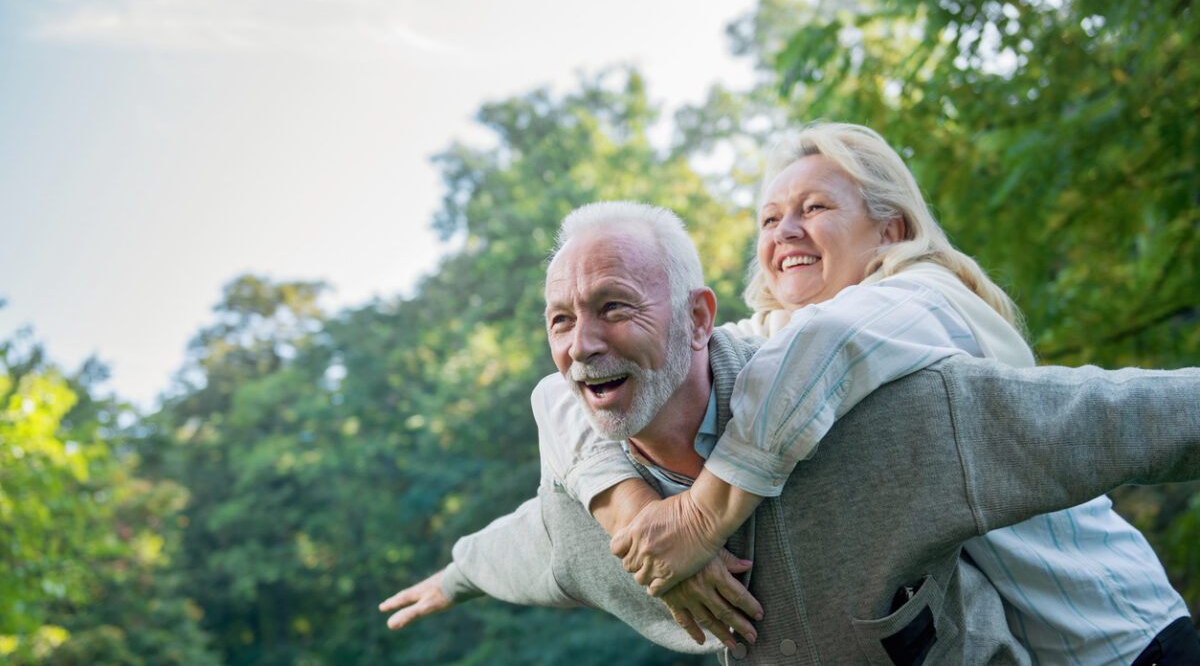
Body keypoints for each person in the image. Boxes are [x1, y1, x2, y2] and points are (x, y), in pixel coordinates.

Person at [381, 202, 1200, 664]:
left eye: (613, 306)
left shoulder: (880, 417)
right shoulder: (588, 517)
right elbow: (531, 545)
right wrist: (457, 572)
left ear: (700, 318)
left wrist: (703, 519)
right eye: (560, 320)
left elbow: (1108, 416)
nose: (581, 345)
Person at [549, 125, 1198, 664]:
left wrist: (698, 519)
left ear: (889, 230)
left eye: (815, 208)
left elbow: (831, 342)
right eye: (770, 218)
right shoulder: (780, 340)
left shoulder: (928, 297)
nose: (786, 231)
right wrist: (630, 509)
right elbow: (560, 393)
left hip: (1127, 643)